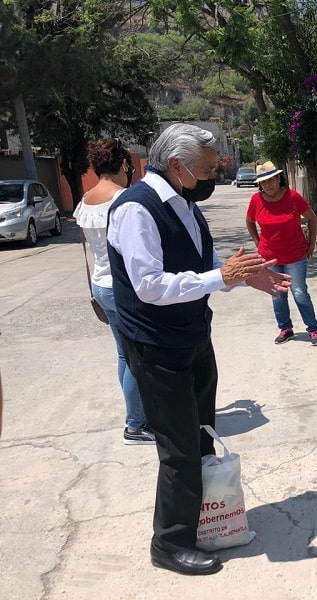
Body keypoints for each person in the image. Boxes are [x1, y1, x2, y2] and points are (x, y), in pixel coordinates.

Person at [107, 123, 291, 576]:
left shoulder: (184, 203)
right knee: (179, 447)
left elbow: (199, 259)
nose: (214, 175)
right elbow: (149, 286)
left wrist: (244, 274)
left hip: (191, 336)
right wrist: (219, 279)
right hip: (155, 345)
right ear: (177, 165)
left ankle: (202, 521)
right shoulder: (136, 210)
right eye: (207, 169)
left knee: (202, 432)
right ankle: (169, 544)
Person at [74, 139, 154, 446]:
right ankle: (135, 425)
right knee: (136, 357)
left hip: (100, 284)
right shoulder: (126, 199)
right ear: (123, 164)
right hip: (124, 287)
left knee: (124, 354)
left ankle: (137, 417)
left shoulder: (87, 199)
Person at [246, 160, 317, 346]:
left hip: (295, 255)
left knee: (299, 292)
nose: (268, 184)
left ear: (279, 179)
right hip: (270, 256)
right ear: (260, 185)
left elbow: (312, 219)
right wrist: (258, 242)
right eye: (264, 182)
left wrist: (311, 244)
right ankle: (285, 328)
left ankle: (313, 329)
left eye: (271, 180)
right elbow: (249, 221)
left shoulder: (293, 196)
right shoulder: (256, 200)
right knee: (277, 294)